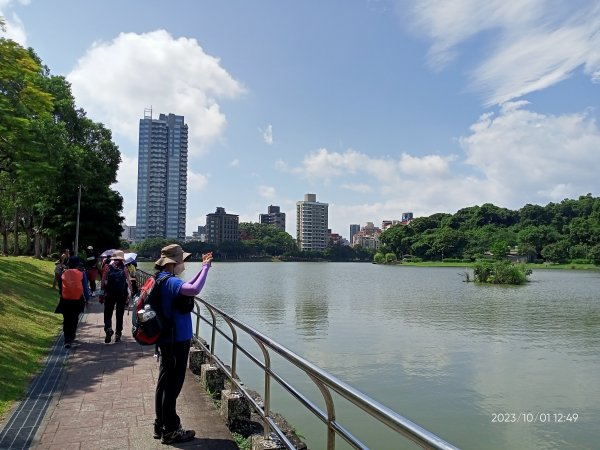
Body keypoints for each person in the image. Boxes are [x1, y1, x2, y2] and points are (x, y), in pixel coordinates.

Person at [153, 244, 212, 444]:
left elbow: (188, 289)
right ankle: (171, 431)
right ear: (173, 263)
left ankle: (160, 425)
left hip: (167, 338)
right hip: (176, 340)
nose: (183, 264)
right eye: (182, 261)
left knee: (164, 383)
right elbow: (194, 289)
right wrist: (204, 269)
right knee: (173, 386)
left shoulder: (161, 279)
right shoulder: (170, 282)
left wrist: (205, 267)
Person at [55, 256, 90, 348]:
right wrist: (87, 299)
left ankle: (66, 339)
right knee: (74, 318)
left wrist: (62, 294)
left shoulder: (64, 272)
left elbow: (60, 285)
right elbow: (85, 288)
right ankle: (72, 335)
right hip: (77, 299)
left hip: (65, 299)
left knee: (66, 319)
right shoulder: (82, 273)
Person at [99, 250, 132, 343]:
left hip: (109, 294)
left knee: (108, 313)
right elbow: (129, 283)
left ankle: (108, 328)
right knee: (119, 314)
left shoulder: (107, 267)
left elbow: (103, 282)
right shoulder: (124, 268)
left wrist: (101, 294)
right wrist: (129, 297)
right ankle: (118, 334)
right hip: (121, 295)